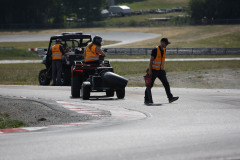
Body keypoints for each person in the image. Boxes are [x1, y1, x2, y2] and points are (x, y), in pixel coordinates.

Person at [144, 38, 179, 104]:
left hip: (161, 71)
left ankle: (170, 98)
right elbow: (151, 61)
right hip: (153, 70)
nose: (167, 45)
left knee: (166, 84)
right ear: (162, 42)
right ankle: (146, 99)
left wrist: (163, 69)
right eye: (166, 43)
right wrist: (150, 71)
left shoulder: (164, 50)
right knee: (149, 85)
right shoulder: (155, 50)